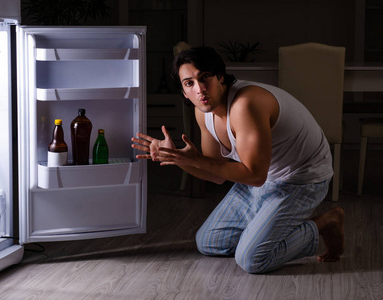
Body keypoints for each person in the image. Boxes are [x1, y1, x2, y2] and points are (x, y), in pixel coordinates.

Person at [131, 47, 345, 274]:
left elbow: (255, 175)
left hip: (301, 180)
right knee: (209, 242)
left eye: (205, 78)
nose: (200, 89)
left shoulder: (245, 104)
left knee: (253, 259)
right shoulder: (203, 112)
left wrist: (195, 161)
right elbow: (215, 175)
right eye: (189, 83)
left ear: (220, 77)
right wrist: (177, 158)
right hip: (262, 178)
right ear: (184, 92)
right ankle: (265, 230)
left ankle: (326, 222)